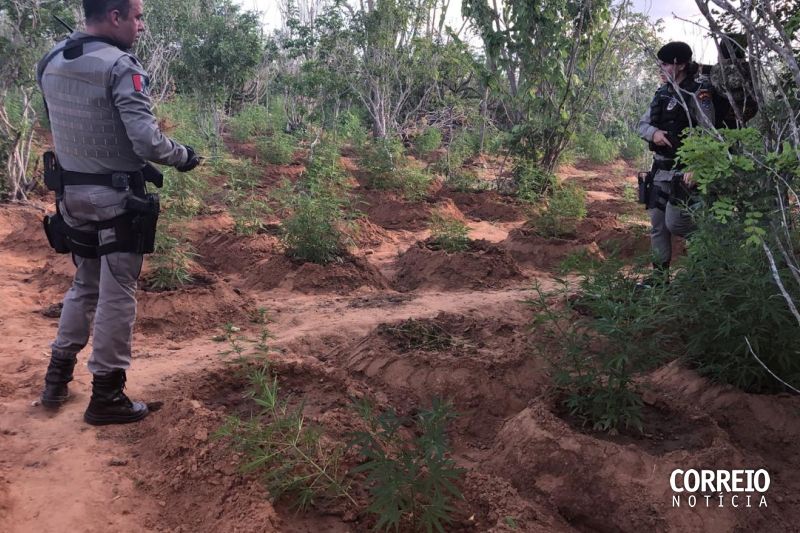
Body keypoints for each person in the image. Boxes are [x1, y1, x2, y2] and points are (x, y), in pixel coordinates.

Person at [37, 0, 199, 425]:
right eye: (138, 16)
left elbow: (73, 123)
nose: (141, 26)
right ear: (114, 17)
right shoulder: (120, 66)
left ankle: (56, 379)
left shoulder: (52, 60)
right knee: (117, 292)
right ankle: (107, 395)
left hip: (71, 197)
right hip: (117, 200)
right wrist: (182, 156)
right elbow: (146, 140)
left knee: (84, 283)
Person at [637, 41, 715, 285]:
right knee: (658, 226)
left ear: (679, 65)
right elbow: (641, 125)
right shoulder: (662, 92)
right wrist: (654, 134)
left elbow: (710, 131)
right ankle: (660, 279)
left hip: (686, 173)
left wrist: (698, 166)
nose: (660, 67)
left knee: (677, 222)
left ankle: (706, 266)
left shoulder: (698, 92)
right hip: (660, 170)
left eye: (664, 63)